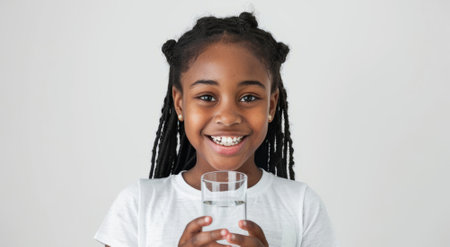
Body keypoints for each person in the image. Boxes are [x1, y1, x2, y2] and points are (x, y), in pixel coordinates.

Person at [94, 12, 338, 247]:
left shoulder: (301, 206)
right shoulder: (139, 205)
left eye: (249, 97)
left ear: (271, 106)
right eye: (207, 97)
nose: (228, 117)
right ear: (180, 104)